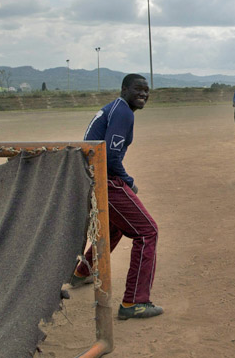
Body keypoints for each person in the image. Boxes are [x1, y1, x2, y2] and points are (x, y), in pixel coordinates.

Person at [69, 74, 163, 320]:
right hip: (104, 178)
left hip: (92, 175)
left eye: (146, 90)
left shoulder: (115, 108)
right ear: (124, 89)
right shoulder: (123, 112)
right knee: (147, 232)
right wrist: (128, 181)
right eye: (138, 89)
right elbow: (110, 158)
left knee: (116, 227)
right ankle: (135, 302)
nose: (143, 94)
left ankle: (82, 272)